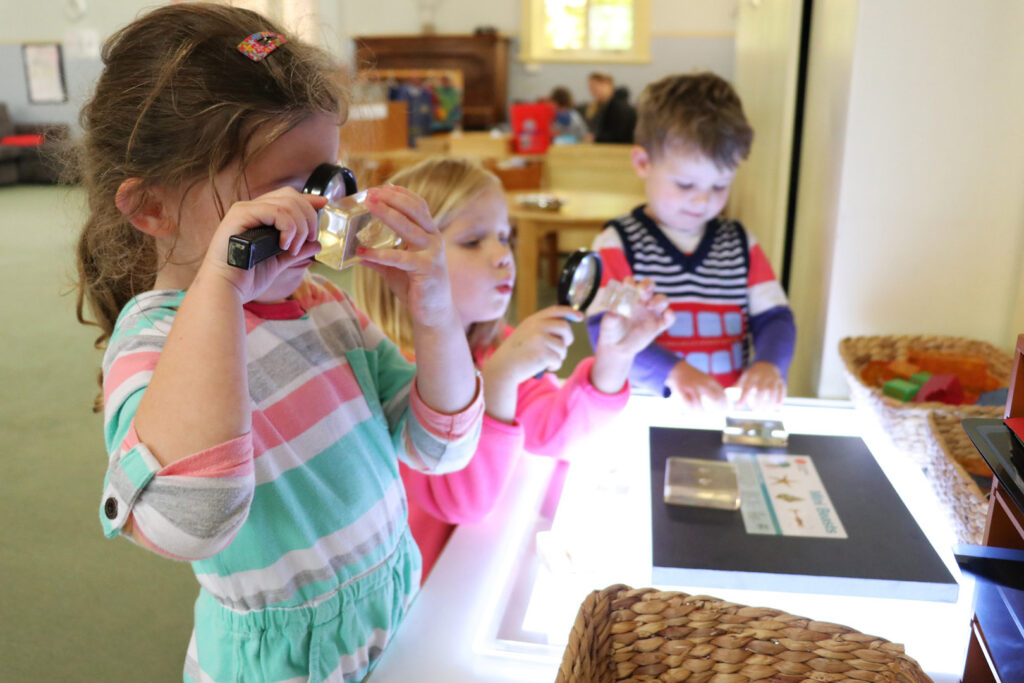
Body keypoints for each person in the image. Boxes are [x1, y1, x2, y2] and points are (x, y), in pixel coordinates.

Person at [73, 5, 483, 681]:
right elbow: (188, 523)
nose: (319, 220)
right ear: (152, 209)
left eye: (325, 184)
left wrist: (435, 309)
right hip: (281, 663)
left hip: (393, 613)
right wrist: (223, 288)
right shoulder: (153, 343)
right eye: (277, 200)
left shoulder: (322, 307)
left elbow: (440, 447)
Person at [352, 158, 673, 578]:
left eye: (505, 237)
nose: (504, 255)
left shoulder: (495, 345)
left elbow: (557, 433)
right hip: (435, 598)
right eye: (473, 241)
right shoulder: (393, 377)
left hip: (493, 566)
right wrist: (501, 379)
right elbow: (462, 502)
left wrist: (615, 358)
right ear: (399, 264)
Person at [588, 72, 796, 411]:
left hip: (724, 411)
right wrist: (674, 372)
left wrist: (769, 364)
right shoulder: (616, 244)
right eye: (686, 185)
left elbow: (775, 318)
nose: (703, 202)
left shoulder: (741, 243)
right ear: (643, 163)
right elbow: (606, 333)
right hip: (649, 411)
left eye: (719, 186)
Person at [585, 71, 637, 144]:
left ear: (607, 84)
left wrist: (596, 138)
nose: (592, 91)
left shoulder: (619, 107)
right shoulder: (604, 106)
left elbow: (619, 137)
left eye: (595, 87)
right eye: (591, 88)